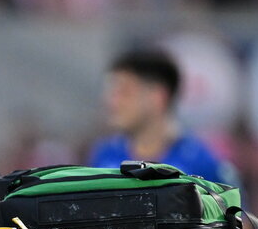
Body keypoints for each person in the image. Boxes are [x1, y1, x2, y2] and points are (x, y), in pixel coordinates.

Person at [89, 49, 238, 186]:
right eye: (112, 92)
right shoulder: (103, 157)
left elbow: (236, 212)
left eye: (124, 92)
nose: (112, 102)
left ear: (157, 97)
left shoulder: (203, 163)